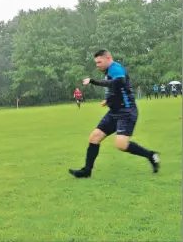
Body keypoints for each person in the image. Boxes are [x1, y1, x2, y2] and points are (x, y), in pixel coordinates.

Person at [69, 50, 160, 178]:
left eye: (99, 62)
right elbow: (118, 90)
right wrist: (109, 100)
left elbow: (120, 82)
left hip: (126, 111)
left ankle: (150, 155)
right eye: (96, 63)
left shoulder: (115, 68)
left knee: (121, 145)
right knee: (94, 137)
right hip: (114, 111)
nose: (97, 65)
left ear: (108, 58)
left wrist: (93, 81)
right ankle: (86, 171)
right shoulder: (109, 72)